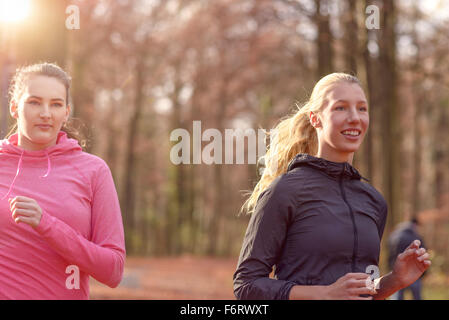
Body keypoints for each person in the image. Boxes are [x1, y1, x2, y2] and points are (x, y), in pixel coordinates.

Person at [233, 73, 431, 300]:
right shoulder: (286, 190)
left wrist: (394, 280)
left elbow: (359, 292)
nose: (355, 118)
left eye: (362, 108)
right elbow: (246, 285)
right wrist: (324, 294)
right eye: (341, 108)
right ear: (315, 119)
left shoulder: (374, 201)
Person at [0, 63, 126, 299]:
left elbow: (113, 270)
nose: (45, 113)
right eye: (34, 102)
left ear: (66, 112)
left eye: (56, 104)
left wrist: (46, 224)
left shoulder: (93, 171)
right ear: (15, 108)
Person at [388, 218, 426, 300]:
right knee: (417, 297)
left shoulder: (395, 236)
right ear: (415, 225)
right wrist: (424, 273)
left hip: (397, 271)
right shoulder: (417, 237)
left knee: (398, 296)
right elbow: (423, 255)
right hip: (414, 273)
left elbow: (391, 253)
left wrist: (391, 268)